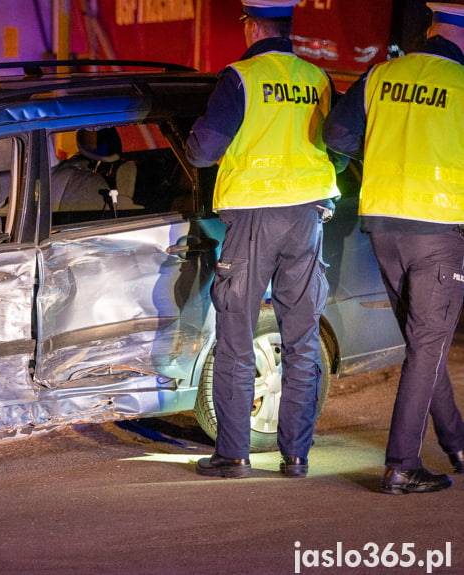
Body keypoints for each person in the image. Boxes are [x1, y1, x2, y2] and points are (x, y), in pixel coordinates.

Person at [187, 0, 341, 479]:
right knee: (301, 340)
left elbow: (203, 149)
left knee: (235, 340)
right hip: (308, 217)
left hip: (254, 217)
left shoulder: (241, 77)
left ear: (252, 26)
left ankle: (233, 455)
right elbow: (339, 143)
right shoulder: (317, 78)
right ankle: (296, 456)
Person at [324, 2, 464, 495]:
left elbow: (337, 134)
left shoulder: (382, 75)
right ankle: (402, 464)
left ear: (431, 30)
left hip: (382, 223)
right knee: (427, 344)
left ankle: (457, 442)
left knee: (423, 340)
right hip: (439, 228)